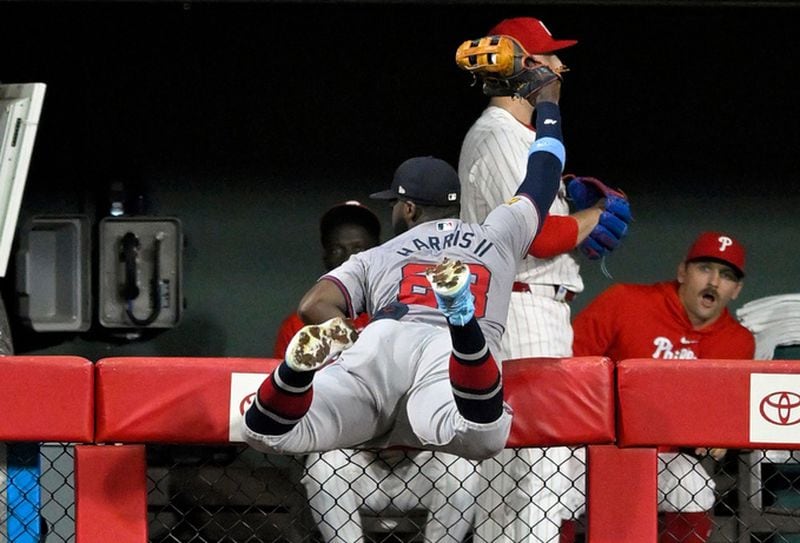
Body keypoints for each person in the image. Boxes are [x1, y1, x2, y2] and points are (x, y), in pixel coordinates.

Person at [243, 78, 565, 467]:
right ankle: (462, 317)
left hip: (383, 342)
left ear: (408, 209)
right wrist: (548, 107)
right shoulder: (498, 233)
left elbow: (313, 305)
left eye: (395, 203)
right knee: (480, 435)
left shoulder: (377, 254)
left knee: (266, 433)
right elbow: (544, 171)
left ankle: (294, 373)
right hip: (449, 357)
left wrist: (349, 333)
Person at [458, 16, 615, 542]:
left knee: (535, 487)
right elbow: (538, 236)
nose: (556, 68)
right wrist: (593, 218)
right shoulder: (498, 133)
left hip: (538, 310)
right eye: (547, 57)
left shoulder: (523, 136)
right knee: (534, 486)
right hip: (521, 311)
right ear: (522, 65)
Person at [275, 201, 479, 542]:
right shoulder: (299, 327)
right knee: (325, 467)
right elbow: (295, 408)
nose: (347, 257)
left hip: (419, 462)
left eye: (358, 248)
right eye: (337, 249)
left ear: (378, 254)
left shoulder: (415, 313)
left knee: (462, 468)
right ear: (325, 258)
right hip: (352, 464)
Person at [572, 231, 756, 543]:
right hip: (593, 449)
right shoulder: (624, 301)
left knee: (694, 487)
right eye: (705, 269)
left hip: (666, 459)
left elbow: (726, 413)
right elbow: (570, 370)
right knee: (555, 488)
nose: (713, 282)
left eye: (726, 275)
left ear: (736, 290)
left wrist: (719, 431)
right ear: (683, 271)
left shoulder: (738, 342)